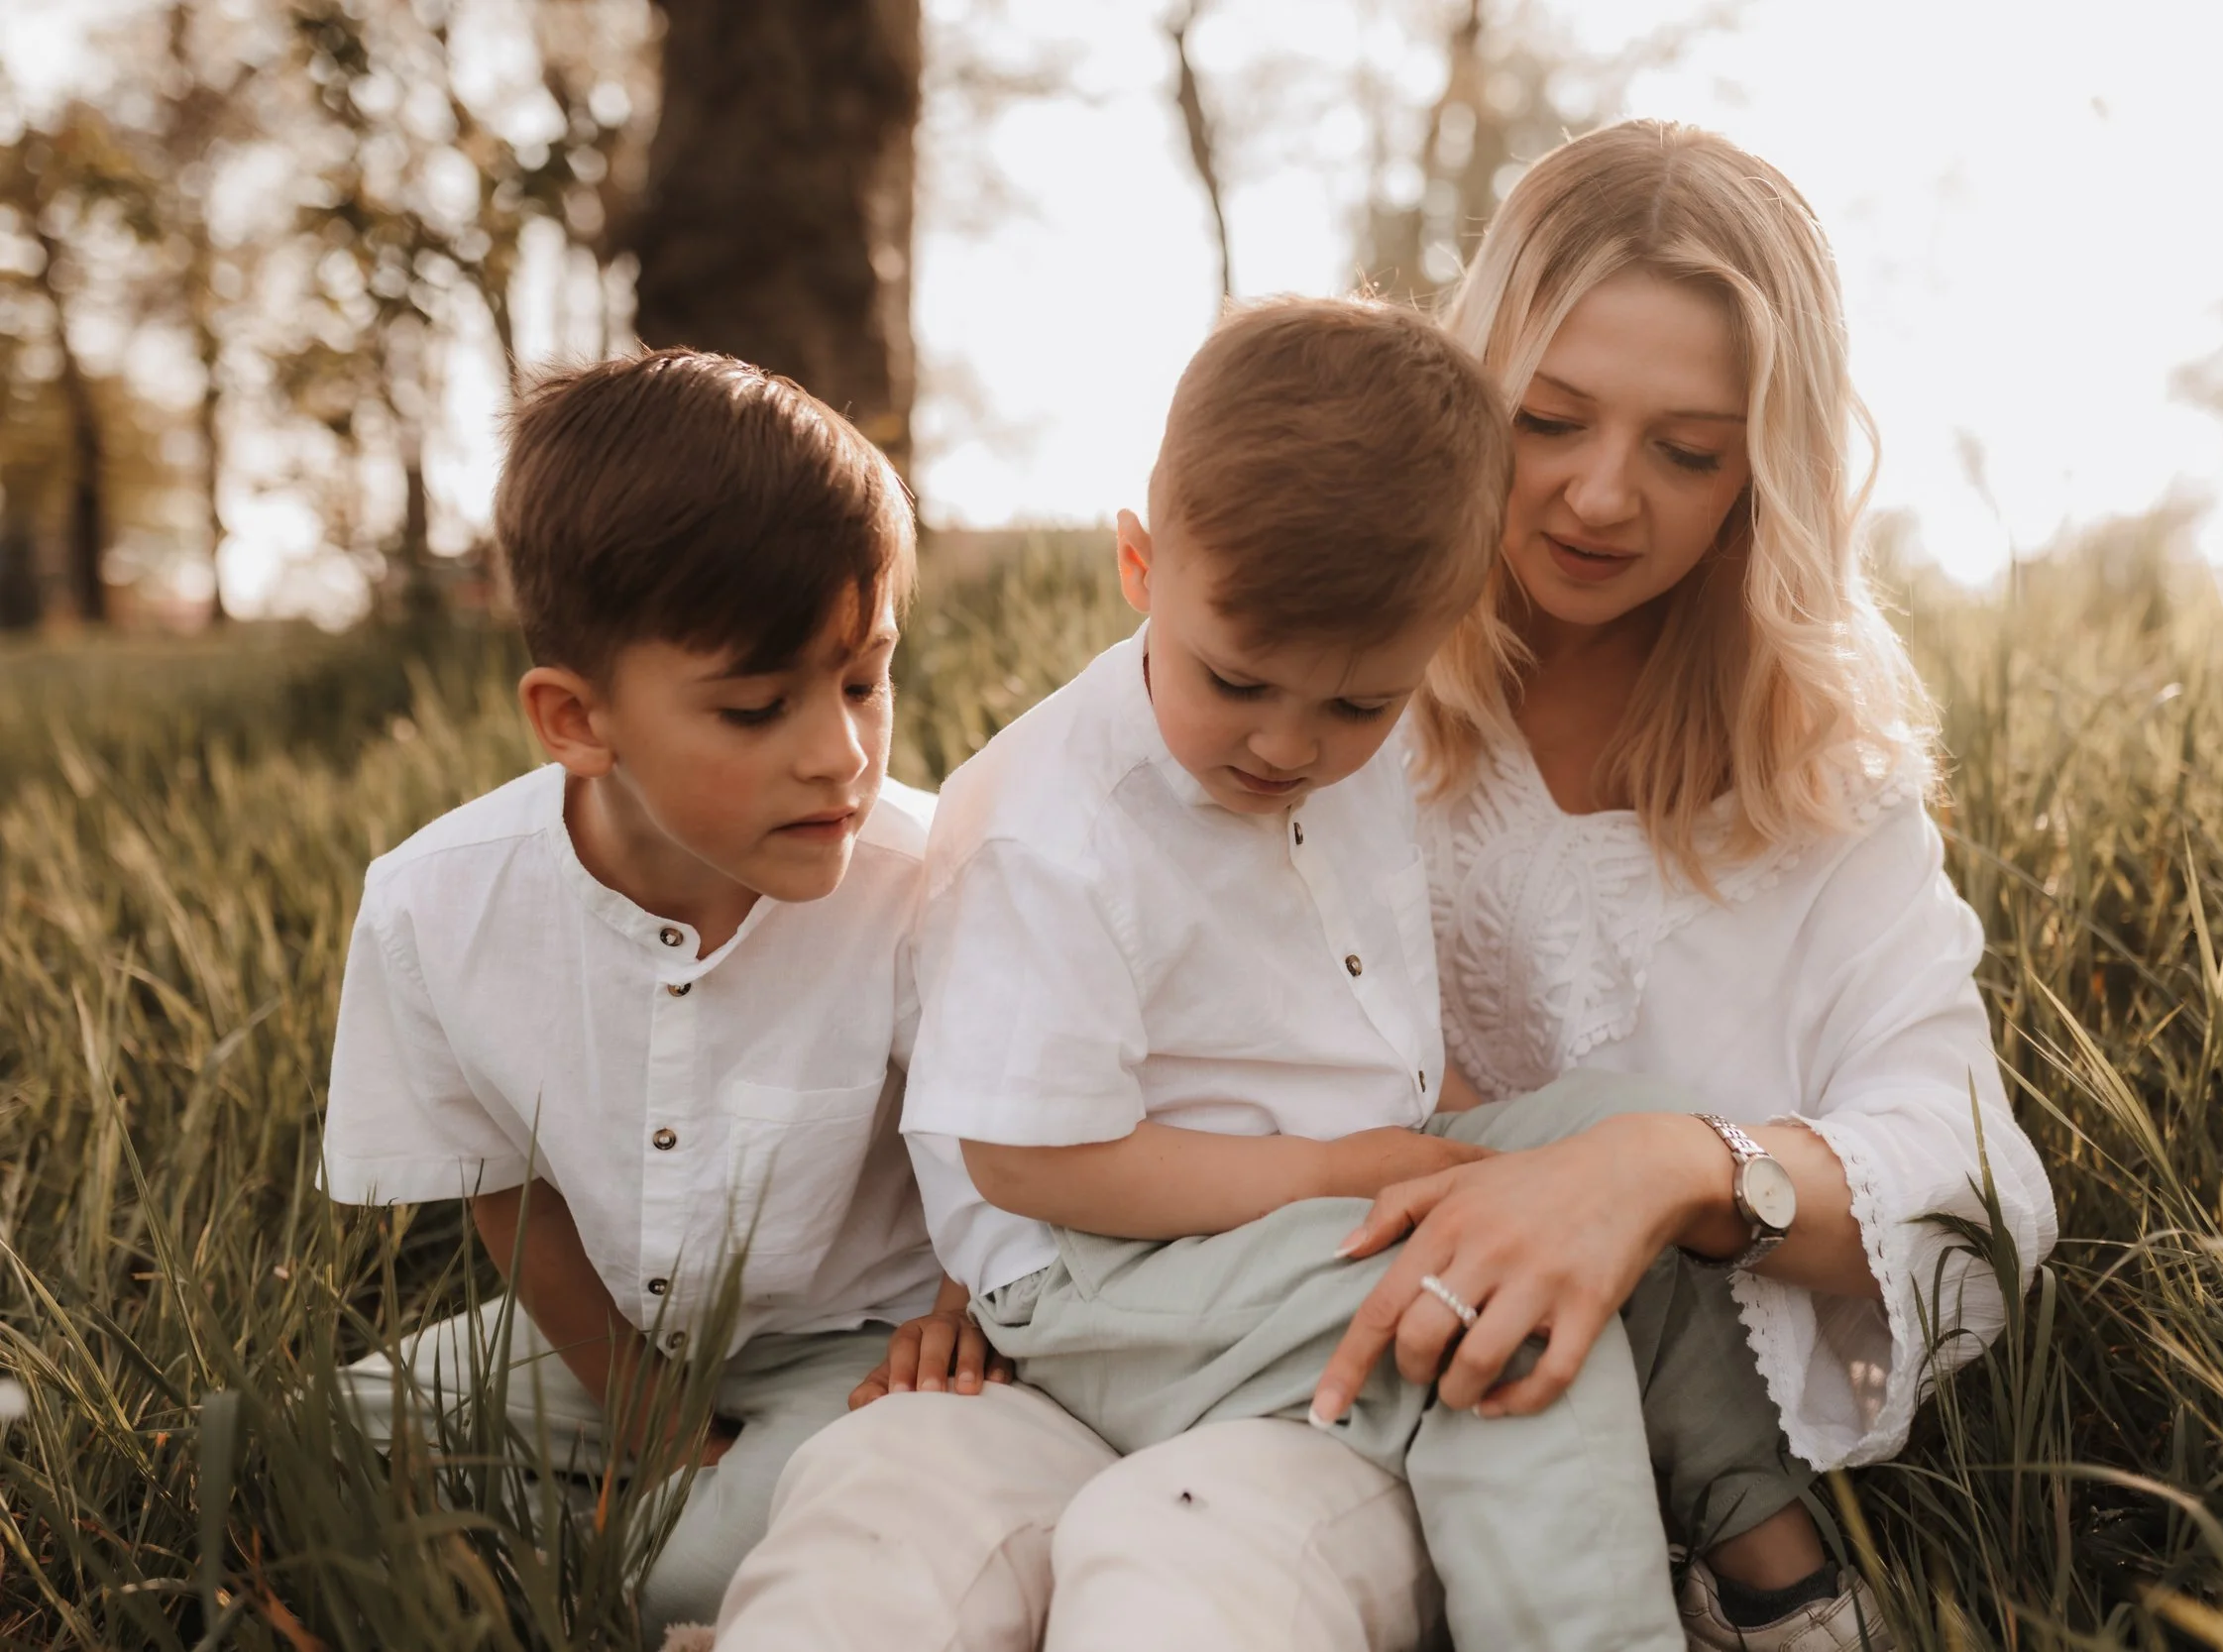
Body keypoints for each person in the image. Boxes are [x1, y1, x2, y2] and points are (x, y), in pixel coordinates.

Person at [722, 119, 2057, 1652]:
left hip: (1423, 1354)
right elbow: (1014, 1023)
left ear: (1768, 473)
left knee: (1240, 1537)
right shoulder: (1313, 696)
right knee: (887, 1522)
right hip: (1220, 1291)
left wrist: (1666, 1169)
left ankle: (1756, 1571)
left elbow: (1975, 1183)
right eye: (1548, 421)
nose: (1602, 497)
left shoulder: (1816, 792)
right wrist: (952, 1251)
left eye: (1686, 450)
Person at [321, 350, 1005, 1643]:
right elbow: (507, 1198)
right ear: (577, 719)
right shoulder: (435, 908)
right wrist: (661, 1428)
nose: (842, 752)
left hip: (863, 1342)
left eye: (863, 678)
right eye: (758, 706)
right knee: (297, 1443)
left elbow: (1000, 1147)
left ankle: (675, 1557)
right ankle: (613, 1519)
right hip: (610, 1344)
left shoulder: (931, 882)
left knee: (711, 1570)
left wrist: (962, 1316)